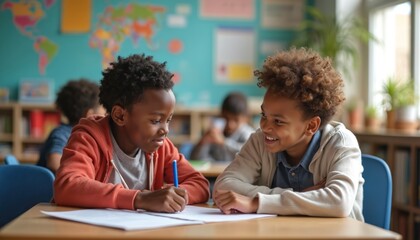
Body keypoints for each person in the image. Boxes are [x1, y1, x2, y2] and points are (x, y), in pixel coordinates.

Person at [213, 48, 364, 221]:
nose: (265, 127)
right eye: (263, 115)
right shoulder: (260, 141)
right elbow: (224, 186)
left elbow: (339, 202)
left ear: (311, 125)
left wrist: (257, 202)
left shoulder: (341, 143)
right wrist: (301, 196)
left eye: (278, 121)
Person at [54, 54, 210, 213]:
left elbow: (200, 184)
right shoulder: (89, 138)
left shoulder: (161, 146)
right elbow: (67, 186)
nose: (165, 130)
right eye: (155, 121)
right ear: (120, 115)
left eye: (168, 120)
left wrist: (175, 197)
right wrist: (140, 199)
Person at [36, 79, 105, 174]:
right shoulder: (63, 133)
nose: (105, 116)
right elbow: (54, 162)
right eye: (104, 112)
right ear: (90, 115)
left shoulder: (83, 135)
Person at [190, 92, 254, 162]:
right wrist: (202, 142)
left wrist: (223, 142)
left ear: (245, 118)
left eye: (236, 120)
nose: (230, 124)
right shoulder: (216, 132)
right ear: (221, 115)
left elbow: (248, 154)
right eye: (226, 118)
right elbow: (196, 159)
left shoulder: (249, 134)